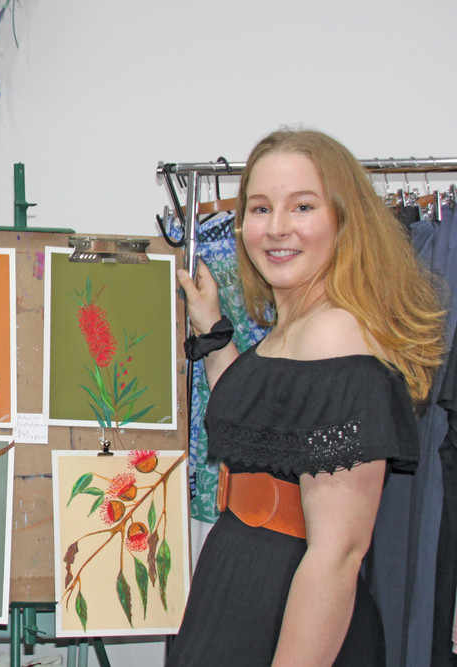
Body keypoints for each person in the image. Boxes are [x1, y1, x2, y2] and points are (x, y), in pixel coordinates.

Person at [167, 129, 445, 665]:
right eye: (261, 207)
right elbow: (262, 435)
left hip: (286, 608)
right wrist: (213, 331)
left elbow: (338, 553)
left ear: (343, 220)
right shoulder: (291, 328)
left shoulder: (337, 335)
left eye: (302, 206)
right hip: (238, 583)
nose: (276, 228)